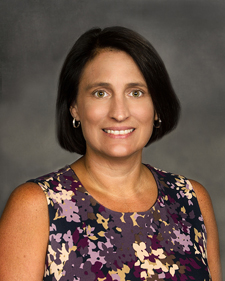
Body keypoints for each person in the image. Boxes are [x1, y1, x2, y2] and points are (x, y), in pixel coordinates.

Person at [0, 26, 221, 281]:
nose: (119, 112)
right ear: (75, 108)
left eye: (135, 93)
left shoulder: (191, 200)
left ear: (157, 107)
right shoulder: (35, 207)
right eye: (100, 93)